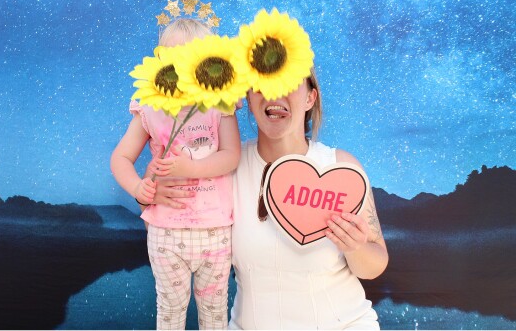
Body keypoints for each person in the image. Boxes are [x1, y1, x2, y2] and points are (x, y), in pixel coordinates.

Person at [151, 66, 388, 329]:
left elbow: (375, 265)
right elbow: (169, 218)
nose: (274, 93)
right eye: (262, 84)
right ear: (249, 99)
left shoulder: (341, 169)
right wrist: (151, 195)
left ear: (310, 98)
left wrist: (355, 247)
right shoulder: (221, 167)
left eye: (288, 82)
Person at [110, 10, 241, 330]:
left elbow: (231, 155)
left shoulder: (220, 104)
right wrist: (138, 188)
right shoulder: (150, 108)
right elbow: (121, 158)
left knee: (214, 309)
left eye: (191, 62)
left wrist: (190, 167)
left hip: (215, 230)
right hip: (165, 230)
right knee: (170, 309)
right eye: (173, 61)